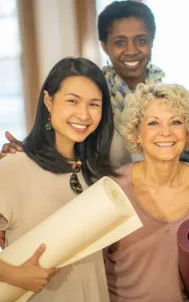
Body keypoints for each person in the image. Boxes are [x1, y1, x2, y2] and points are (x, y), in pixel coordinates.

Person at [0, 57, 117, 301]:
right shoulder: (13, 168)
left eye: (94, 104)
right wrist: (13, 274)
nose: (84, 114)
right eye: (72, 101)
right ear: (48, 101)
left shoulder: (95, 173)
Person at [1, 0, 164, 167]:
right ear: (104, 46)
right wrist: (22, 155)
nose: (131, 50)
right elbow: (58, 145)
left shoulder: (169, 97)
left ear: (152, 42)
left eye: (141, 41)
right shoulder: (92, 94)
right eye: (120, 42)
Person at [105, 83, 189, 301]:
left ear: (188, 131)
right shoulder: (113, 188)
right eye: (153, 123)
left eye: (176, 122)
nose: (166, 132)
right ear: (137, 134)